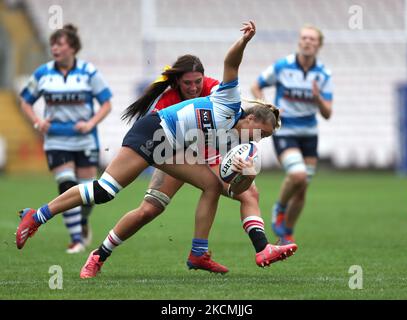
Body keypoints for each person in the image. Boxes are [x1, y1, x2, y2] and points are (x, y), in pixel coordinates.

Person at [16, 21, 297, 277]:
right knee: (105, 191)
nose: (259, 140)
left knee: (212, 187)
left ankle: (201, 253)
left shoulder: (240, 144)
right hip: (153, 133)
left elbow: (236, 189)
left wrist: (243, 175)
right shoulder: (229, 102)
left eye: (265, 138)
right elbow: (231, 63)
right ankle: (38, 216)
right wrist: (244, 41)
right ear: (251, 118)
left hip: (174, 149)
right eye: (261, 132)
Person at [77, 54, 288, 278]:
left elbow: (237, 112)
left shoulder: (213, 87)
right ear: (177, 81)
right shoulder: (166, 101)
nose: (194, 87)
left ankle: (255, 249)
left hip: (207, 150)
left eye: (198, 81)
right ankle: (99, 255)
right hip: (173, 153)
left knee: (247, 193)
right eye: (188, 83)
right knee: (149, 210)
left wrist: (264, 117)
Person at [19, 24, 112, 253]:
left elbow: (107, 104)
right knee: (67, 185)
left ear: (72, 48)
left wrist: (90, 123)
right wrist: (38, 121)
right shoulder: (43, 73)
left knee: (88, 195)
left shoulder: (89, 72)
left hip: (85, 140)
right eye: (52, 44)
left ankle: (82, 221)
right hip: (56, 140)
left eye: (59, 44)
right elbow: (26, 101)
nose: (54, 48)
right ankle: (77, 240)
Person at [251, 25, 333, 245]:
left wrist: (317, 98)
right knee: (298, 175)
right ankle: (279, 207)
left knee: (302, 188)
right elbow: (256, 86)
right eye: (304, 37)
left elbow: (327, 113)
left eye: (312, 39)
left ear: (318, 45)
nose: (307, 42)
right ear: (299, 41)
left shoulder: (324, 74)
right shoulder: (283, 66)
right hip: (285, 130)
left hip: (309, 134)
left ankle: (286, 232)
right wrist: (268, 106)